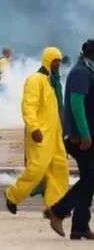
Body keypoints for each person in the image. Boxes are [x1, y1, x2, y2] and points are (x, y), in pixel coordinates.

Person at [5, 47, 69, 216]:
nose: (57, 64)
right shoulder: (35, 80)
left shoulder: (54, 82)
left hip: (55, 135)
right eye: (55, 60)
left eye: (59, 61)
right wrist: (33, 128)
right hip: (40, 135)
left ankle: (55, 206)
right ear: (47, 60)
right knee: (36, 169)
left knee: (60, 169)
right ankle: (12, 195)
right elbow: (28, 106)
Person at [48, 39, 94, 240]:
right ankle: (58, 211)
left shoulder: (87, 71)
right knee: (90, 179)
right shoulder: (81, 73)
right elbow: (76, 104)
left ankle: (80, 227)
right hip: (82, 138)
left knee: (89, 180)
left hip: (88, 135)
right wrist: (84, 134)